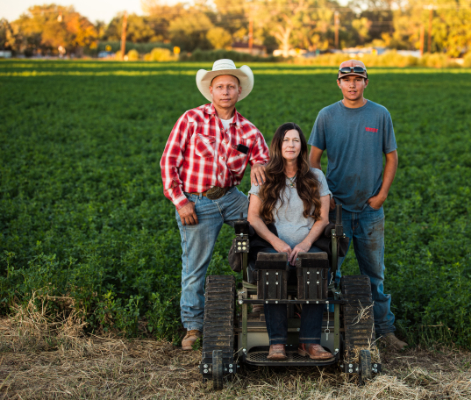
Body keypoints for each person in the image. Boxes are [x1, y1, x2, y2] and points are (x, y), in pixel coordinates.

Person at [160, 59, 269, 350]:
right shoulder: (191, 119)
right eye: (220, 86)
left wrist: (259, 165)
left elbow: (264, 160)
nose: (225, 92)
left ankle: (259, 299)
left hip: (232, 198)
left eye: (230, 86)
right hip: (197, 201)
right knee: (195, 266)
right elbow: (169, 161)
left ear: (239, 90)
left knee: (266, 230)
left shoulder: (248, 130)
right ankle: (193, 328)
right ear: (210, 91)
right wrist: (181, 202)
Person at [308, 60, 407, 351]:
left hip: (370, 210)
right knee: (328, 272)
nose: (352, 84)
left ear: (366, 82)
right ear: (338, 83)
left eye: (357, 79)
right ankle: (328, 331)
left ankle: (385, 332)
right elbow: (313, 160)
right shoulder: (327, 116)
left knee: (374, 273)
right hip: (337, 211)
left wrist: (383, 195)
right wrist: (325, 195)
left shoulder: (379, 114)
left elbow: (392, 157)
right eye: (346, 79)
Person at [247, 122, 333, 361]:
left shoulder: (315, 176)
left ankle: (310, 343)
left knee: (314, 263)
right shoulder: (264, 175)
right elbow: (252, 217)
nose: (291, 145)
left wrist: (305, 244)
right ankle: (277, 344)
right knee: (273, 264)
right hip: (273, 244)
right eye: (286, 140)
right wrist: (276, 243)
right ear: (277, 145)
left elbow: (323, 217)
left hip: (307, 243)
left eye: (295, 140)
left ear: (302, 146)